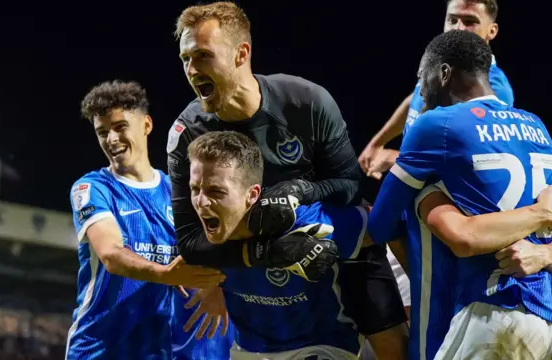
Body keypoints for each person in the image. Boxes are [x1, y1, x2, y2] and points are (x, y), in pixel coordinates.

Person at [168, 2, 408, 357]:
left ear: (241, 53)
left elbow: (350, 187)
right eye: (185, 58)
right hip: (255, 265)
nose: (191, 69)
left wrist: (300, 191)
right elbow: (189, 240)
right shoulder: (186, 132)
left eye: (202, 56)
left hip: (331, 237)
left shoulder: (306, 102)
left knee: (393, 346)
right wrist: (263, 252)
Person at [368, 30, 552, 359]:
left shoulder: (437, 125)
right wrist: (543, 219)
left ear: (444, 73)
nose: (421, 93)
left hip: (497, 307)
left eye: (423, 80)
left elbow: (379, 224)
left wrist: (427, 203)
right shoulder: (537, 126)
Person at [66, 80, 232, 360]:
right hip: (97, 349)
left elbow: (203, 250)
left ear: (146, 125)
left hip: (155, 349)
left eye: (120, 127)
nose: (111, 139)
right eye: (102, 132)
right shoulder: (91, 188)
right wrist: (163, 274)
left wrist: (213, 284)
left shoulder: (178, 194)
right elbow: (111, 254)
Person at [187, 130, 381, 360]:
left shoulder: (299, 222)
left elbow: (382, 224)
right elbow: (173, 268)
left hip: (321, 346)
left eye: (216, 191)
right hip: (248, 351)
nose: (201, 202)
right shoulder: (197, 238)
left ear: (252, 195)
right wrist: (209, 285)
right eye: (195, 189)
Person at [359, 0, 513, 180]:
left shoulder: (494, 90)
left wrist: (395, 158)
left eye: (470, 21)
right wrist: (377, 143)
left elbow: (466, 157)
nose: (458, 29)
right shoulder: (442, 66)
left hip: (444, 200)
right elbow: (415, 99)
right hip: (413, 185)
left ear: (492, 30)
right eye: (452, 20)